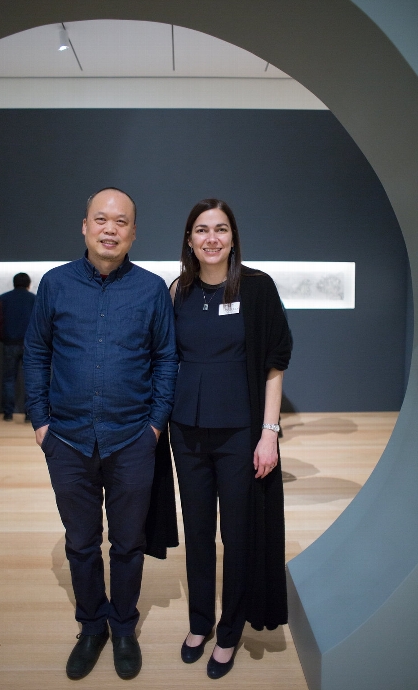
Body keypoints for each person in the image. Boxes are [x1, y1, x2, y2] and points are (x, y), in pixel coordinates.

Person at [23, 187, 178, 681]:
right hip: (66, 439)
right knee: (81, 542)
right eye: (101, 219)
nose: (110, 229)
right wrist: (41, 423)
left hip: (132, 438)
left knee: (128, 542)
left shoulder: (152, 289)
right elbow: (36, 353)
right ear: (85, 226)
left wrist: (154, 426)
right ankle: (91, 625)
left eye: (121, 222)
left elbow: (165, 359)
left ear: (133, 232)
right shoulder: (55, 284)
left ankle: (124, 625)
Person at [169, 198, 292, 679]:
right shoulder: (179, 289)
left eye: (221, 229)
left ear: (233, 237)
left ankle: (229, 630)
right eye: (202, 230)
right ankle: (199, 622)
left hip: (241, 433)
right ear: (189, 239)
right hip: (187, 430)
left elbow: (274, 363)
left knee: (238, 535)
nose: (212, 238)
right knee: (197, 533)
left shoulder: (257, 288)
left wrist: (269, 433)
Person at [0, 272, 35, 421]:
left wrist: (3, 338)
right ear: (28, 284)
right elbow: (41, 322)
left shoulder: (3, 298)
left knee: (9, 379)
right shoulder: (34, 299)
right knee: (31, 380)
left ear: (14, 283)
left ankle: (8, 414)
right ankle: (29, 415)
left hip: (10, 343)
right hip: (30, 346)